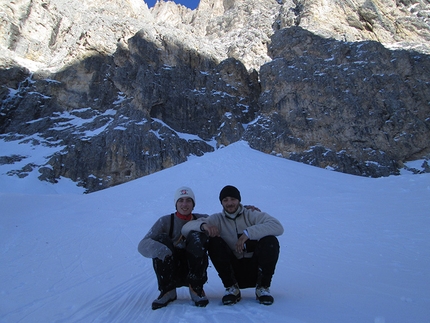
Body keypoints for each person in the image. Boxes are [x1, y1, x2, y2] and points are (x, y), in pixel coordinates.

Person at [181, 185, 284, 306]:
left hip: (255, 269)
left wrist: (248, 233)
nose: (229, 203)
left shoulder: (251, 215)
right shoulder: (217, 219)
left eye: (233, 199)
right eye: (225, 200)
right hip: (233, 272)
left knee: (270, 240)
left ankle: (263, 287)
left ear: (239, 200)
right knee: (214, 242)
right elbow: (185, 228)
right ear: (221, 203)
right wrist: (204, 226)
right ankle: (231, 288)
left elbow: (277, 226)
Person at [138, 186, 210, 309]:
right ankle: (168, 290)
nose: (184, 204)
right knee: (161, 239)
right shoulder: (165, 221)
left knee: (197, 236)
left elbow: (224, 222)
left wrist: (245, 211)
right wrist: (163, 251)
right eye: (181, 200)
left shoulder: (203, 219)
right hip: (171, 265)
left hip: (193, 267)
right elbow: (143, 244)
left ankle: (196, 288)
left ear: (193, 204)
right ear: (175, 204)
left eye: (188, 200)